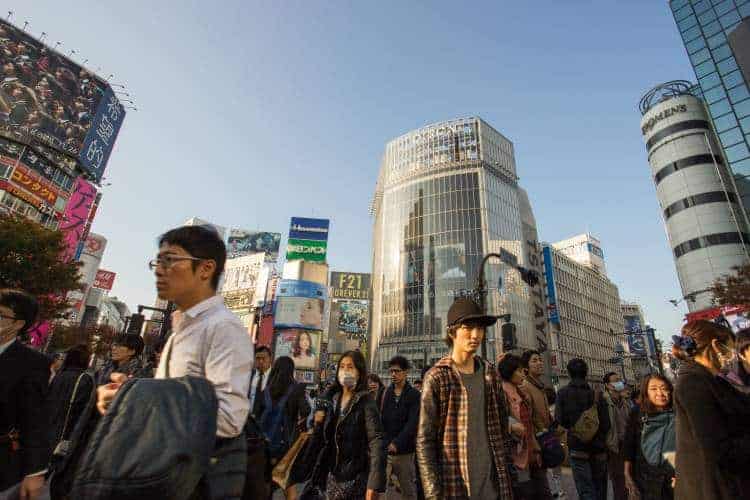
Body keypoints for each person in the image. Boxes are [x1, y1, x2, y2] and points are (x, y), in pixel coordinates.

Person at [96, 225, 254, 500]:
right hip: (162, 473)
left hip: (192, 482)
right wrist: (128, 394)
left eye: (170, 260)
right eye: (157, 261)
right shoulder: (181, 326)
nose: (159, 270)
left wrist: (139, 401)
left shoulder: (223, 328)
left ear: (205, 269)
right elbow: (173, 396)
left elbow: (229, 418)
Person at [416, 297, 515, 499]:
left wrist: (509, 474)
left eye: (480, 328)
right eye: (468, 328)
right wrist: (433, 494)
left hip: (495, 486)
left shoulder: (490, 374)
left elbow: (503, 430)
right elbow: (425, 441)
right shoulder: (437, 377)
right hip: (454, 486)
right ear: (452, 331)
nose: (476, 335)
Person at [672, 320, 750, 500]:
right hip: (711, 488)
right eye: (730, 349)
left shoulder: (713, 379)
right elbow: (716, 448)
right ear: (716, 346)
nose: (733, 356)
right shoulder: (692, 383)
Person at [306, 350, 386, 499]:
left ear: (359, 372)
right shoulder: (330, 400)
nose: (345, 371)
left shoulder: (366, 401)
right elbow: (319, 439)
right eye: (342, 366)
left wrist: (373, 484)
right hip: (330, 476)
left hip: (355, 478)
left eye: (350, 367)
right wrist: (317, 422)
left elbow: (376, 442)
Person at [0, 289, 50, 500]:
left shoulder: (32, 363)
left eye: (1, 315)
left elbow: (34, 418)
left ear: (18, 324)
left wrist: (35, 471)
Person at [555, 358, 611, 500]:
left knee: (585, 489)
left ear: (568, 373)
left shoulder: (563, 394)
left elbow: (560, 420)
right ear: (586, 373)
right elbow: (606, 423)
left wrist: (578, 428)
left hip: (577, 448)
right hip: (598, 449)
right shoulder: (596, 394)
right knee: (600, 488)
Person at [256, 356, 310, 500]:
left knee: (264, 486)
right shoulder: (296, 389)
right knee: (289, 488)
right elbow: (306, 410)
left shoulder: (265, 391)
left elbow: (256, 416)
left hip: (263, 447)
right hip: (285, 449)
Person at [498, 353, 544, 499]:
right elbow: (495, 420)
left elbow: (529, 423)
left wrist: (535, 449)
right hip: (515, 456)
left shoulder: (521, 392)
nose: (522, 373)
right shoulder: (501, 392)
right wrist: (511, 426)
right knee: (525, 492)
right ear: (509, 372)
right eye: (518, 370)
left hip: (530, 451)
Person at [623, 374, 675, 500]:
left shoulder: (680, 412)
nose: (660, 393)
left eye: (664, 388)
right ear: (646, 392)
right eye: (653, 389)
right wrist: (627, 474)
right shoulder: (637, 413)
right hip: (646, 477)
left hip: (674, 477)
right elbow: (629, 445)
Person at [46, 345, 94, 470]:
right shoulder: (85, 379)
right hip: (66, 432)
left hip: (49, 427)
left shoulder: (59, 375)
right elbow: (81, 409)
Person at [381, 355, 421, 500]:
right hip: (386, 450)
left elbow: (412, 423)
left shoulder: (414, 395)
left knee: (408, 490)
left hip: (405, 452)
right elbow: (382, 420)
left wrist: (397, 443)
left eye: (397, 371)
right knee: (379, 489)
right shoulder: (386, 393)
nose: (393, 374)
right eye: (391, 371)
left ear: (406, 372)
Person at [519, 350, 554, 499]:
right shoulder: (525, 387)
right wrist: (534, 447)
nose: (539, 363)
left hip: (544, 441)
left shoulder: (540, 386)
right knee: (541, 489)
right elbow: (529, 420)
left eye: (540, 360)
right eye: (534, 360)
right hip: (535, 446)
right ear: (525, 367)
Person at [602, 371, 629, 500]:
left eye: (619, 380)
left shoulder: (625, 401)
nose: (619, 383)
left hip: (627, 444)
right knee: (618, 479)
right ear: (607, 385)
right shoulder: (604, 402)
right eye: (615, 380)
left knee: (630, 476)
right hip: (614, 446)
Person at [248, 345, 273, 418]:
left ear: (270, 359)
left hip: (266, 421)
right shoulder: (249, 375)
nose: (261, 361)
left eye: (264, 358)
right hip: (248, 420)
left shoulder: (275, 377)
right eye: (258, 358)